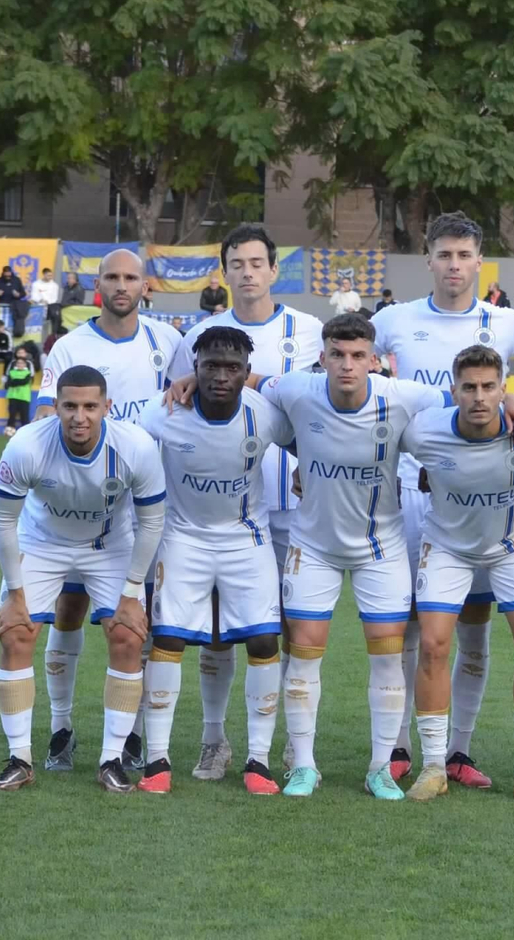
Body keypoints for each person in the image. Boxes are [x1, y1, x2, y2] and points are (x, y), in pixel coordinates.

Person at [218, 313, 457, 801]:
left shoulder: (403, 396)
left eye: (357, 356)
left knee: (388, 659)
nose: (347, 365)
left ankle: (379, 768)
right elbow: (252, 377)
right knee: (303, 654)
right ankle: (304, 765)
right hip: (315, 547)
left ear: (375, 360)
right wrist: (184, 379)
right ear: (322, 357)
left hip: (380, 548)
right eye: (337, 355)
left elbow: (467, 400)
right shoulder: (299, 390)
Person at [371, 212, 514, 788]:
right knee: (413, 630)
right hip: (412, 490)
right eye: (444, 255)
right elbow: (349, 372)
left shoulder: (507, 323)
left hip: (487, 492)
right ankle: (402, 747)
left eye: (464, 255)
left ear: (481, 261)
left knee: (476, 626)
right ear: (428, 259)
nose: (454, 265)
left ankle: (460, 751)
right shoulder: (394, 319)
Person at [166, 224, 324, 782]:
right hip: (230, 514)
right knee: (218, 633)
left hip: (300, 505)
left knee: (289, 631)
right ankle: (215, 741)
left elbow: (324, 410)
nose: (248, 272)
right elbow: (178, 403)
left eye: (258, 262)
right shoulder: (200, 335)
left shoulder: (310, 332)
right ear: (225, 271)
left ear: (275, 270)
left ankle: (288, 745)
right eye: (237, 263)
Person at [32, 248, 185, 772]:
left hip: (139, 506)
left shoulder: (168, 341)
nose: (122, 286)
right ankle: (60, 727)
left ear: (146, 285)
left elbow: (185, 403)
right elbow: (45, 416)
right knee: (67, 612)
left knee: (131, 621)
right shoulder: (71, 345)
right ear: (97, 284)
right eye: (112, 277)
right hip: (77, 502)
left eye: (131, 277)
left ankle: (131, 734)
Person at [0, 365, 166, 793]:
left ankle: (111, 759)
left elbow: (152, 523)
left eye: (90, 406)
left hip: (110, 546)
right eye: (69, 406)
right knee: (15, 633)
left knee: (127, 634)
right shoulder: (27, 445)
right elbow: (2, 519)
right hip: (43, 541)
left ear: (107, 407)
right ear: (56, 407)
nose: (79, 417)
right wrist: (15, 593)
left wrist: (130, 594)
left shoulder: (135, 447)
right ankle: (20, 757)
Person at [396, 346, 514, 805]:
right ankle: (432, 766)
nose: (479, 396)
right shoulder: (425, 430)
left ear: (504, 389)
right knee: (432, 645)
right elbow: (371, 438)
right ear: (453, 392)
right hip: (446, 547)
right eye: (469, 387)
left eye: (490, 387)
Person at [137, 326, 295, 796]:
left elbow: (306, 440)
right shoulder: (164, 411)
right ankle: (157, 759)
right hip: (183, 538)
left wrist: (306, 464)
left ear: (247, 373)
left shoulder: (264, 414)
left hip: (246, 539)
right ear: (194, 369)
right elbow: (128, 453)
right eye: (210, 367)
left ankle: (258, 760)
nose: (221, 376)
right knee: (166, 638)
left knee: (265, 640)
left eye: (232, 368)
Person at [2, 346, 34, 434]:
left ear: (25, 365)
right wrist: (18, 381)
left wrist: (15, 381)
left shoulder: (28, 372)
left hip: (24, 396)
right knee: (12, 414)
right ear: (16, 364)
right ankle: (9, 430)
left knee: (24, 416)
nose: (20, 365)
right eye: (18, 363)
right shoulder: (12, 372)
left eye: (21, 363)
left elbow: (25, 381)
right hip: (13, 396)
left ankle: (26, 432)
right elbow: (8, 383)